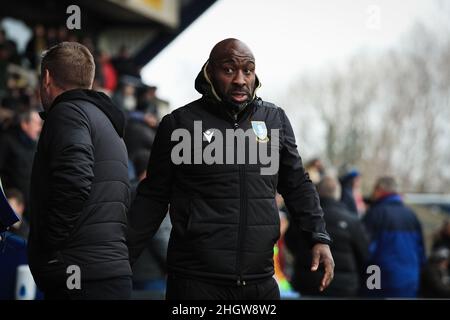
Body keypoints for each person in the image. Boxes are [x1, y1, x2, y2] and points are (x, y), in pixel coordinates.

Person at [127, 38, 334, 300]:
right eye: (229, 70)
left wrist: (319, 237)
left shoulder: (275, 120)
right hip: (195, 284)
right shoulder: (178, 125)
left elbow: (297, 185)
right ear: (209, 73)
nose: (240, 79)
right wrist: (122, 259)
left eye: (247, 70)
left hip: (260, 284)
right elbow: (153, 197)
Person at [28, 42, 132, 300]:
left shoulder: (67, 113)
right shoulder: (106, 121)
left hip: (79, 277)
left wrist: (48, 246)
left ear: (47, 77)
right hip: (109, 273)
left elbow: (74, 182)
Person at [286, 176, 369, 297]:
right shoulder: (352, 221)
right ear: (338, 194)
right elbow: (364, 252)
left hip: (307, 284)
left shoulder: (301, 219)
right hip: (343, 287)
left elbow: (290, 243)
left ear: (317, 192)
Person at [363, 176, 426, 298]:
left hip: (379, 281)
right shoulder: (411, 215)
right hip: (410, 281)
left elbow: (366, 250)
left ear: (380, 190)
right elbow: (421, 253)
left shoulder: (375, 214)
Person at [0, 108, 42, 214]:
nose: (40, 128)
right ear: (25, 124)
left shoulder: (36, 144)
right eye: (37, 124)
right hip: (13, 205)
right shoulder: (7, 141)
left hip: (33, 203)